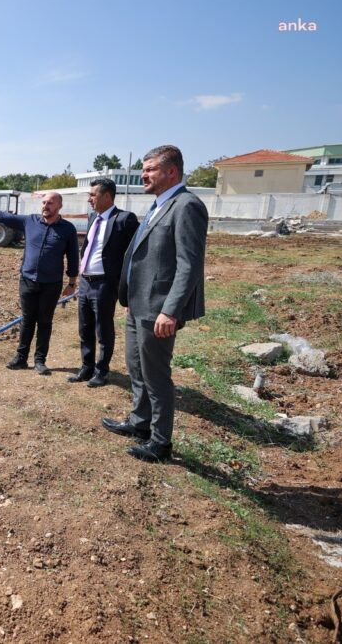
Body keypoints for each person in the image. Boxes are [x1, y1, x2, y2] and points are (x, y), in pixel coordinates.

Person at [101, 145, 207, 463]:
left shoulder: (186, 205)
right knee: (136, 367)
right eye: (144, 170)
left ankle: (160, 443)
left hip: (158, 309)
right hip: (138, 304)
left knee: (156, 375)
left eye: (150, 169)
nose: (144, 175)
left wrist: (170, 310)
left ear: (171, 171)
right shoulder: (158, 205)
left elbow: (189, 265)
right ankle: (140, 422)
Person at [0, 191, 79, 375]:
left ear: (59, 206)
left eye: (50, 203)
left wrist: (72, 283)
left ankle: (40, 360)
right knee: (27, 320)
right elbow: (2, 216)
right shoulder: (30, 221)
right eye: (44, 202)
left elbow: (73, 257)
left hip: (51, 284)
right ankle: (21, 358)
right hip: (27, 281)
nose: (46, 205)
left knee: (45, 321)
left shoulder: (67, 229)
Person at [68, 178, 139, 387]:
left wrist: (127, 286)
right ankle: (86, 367)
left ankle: (101, 371)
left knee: (103, 329)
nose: (89, 199)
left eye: (93, 195)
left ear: (107, 196)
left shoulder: (124, 219)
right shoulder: (93, 218)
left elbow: (136, 254)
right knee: (85, 328)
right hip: (86, 282)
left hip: (105, 284)